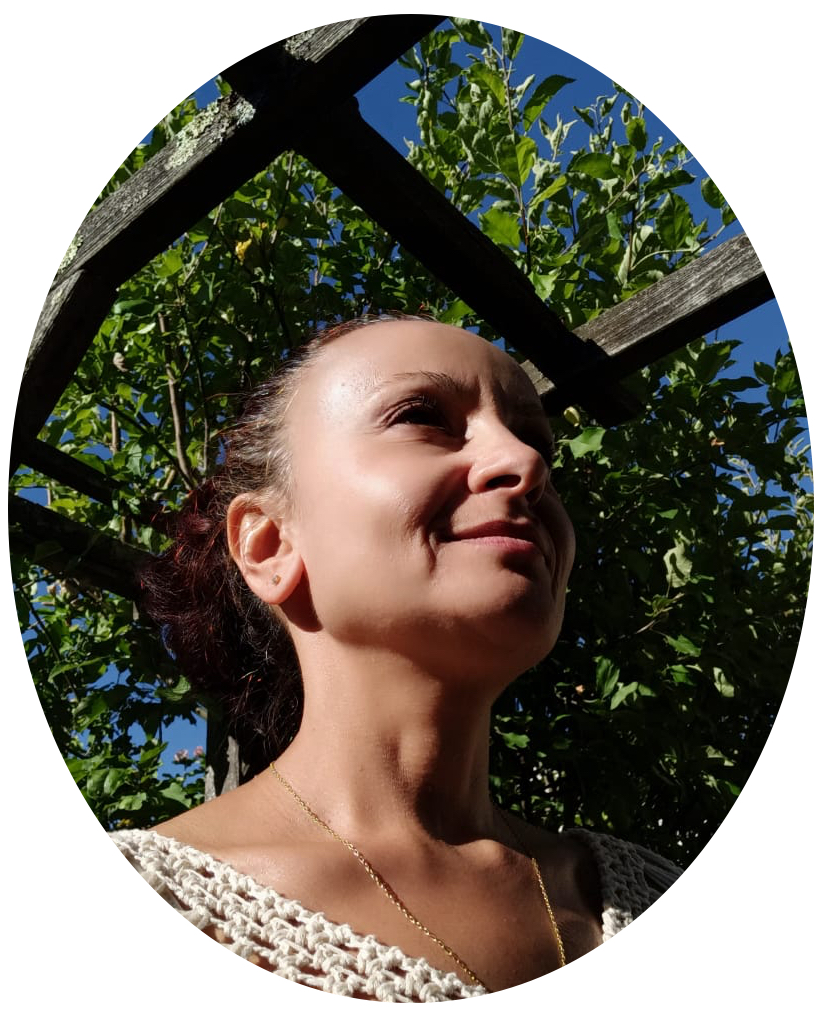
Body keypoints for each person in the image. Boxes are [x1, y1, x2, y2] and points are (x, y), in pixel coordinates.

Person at [111, 314, 681, 1002]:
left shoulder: (663, 897)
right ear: (269, 547)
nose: (527, 464)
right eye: (420, 417)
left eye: (536, 441)